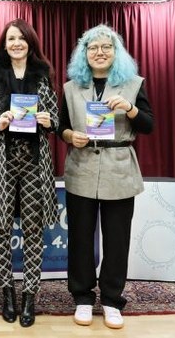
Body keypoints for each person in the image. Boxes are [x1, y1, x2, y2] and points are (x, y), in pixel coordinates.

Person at [58, 24, 154, 329]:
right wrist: (70, 135)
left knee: (117, 238)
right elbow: (61, 127)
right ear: (83, 55)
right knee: (80, 238)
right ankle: (83, 298)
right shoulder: (70, 87)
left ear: (117, 53)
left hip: (119, 167)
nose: (99, 53)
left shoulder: (134, 85)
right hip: (81, 167)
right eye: (93, 48)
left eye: (106, 47)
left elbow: (149, 125)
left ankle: (113, 300)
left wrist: (131, 110)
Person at [0, 19, 59, 327]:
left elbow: (56, 120)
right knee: (0, 230)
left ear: (30, 43)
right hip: (1, 163)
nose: (16, 43)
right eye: (11, 38)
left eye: (21, 38)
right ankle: (7, 292)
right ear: (4, 43)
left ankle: (30, 297)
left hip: (35, 163)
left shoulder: (43, 77)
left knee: (34, 232)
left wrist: (48, 120)